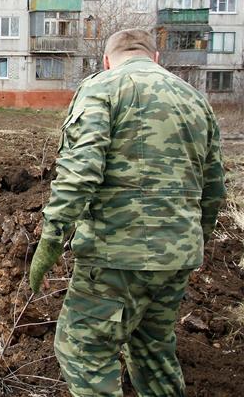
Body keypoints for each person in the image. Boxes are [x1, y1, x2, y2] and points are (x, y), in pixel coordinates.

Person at [29, 29, 226, 396]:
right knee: (154, 352)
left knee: (83, 351)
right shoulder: (196, 99)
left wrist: (51, 239)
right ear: (155, 59)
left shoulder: (103, 88)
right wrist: (191, 240)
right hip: (177, 257)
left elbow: (80, 172)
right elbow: (214, 189)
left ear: (106, 60)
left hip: (116, 256)